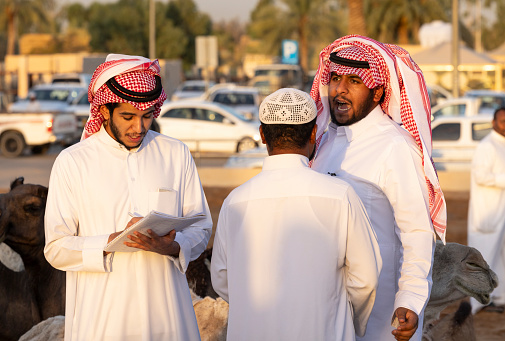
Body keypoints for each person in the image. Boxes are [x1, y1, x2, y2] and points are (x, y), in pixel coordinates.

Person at [44, 54, 213, 340]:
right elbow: (56, 248)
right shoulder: (72, 162)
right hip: (101, 320)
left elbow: (201, 226)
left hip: (168, 318)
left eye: (147, 116)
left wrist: (171, 246)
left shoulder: (175, 153)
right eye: (128, 117)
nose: (139, 127)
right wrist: (110, 242)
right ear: (105, 110)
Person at [211, 88, 382, 340]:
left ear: (262, 135)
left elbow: (222, 278)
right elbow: (366, 279)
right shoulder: (339, 195)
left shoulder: (235, 201)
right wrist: (347, 321)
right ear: (314, 132)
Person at [309, 35, 447, 341]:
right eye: (334, 78)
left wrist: (409, 299)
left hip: (382, 305)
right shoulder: (324, 142)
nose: (340, 89)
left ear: (378, 91)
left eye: (354, 80)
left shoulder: (394, 146)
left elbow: (415, 233)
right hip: (325, 298)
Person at [467, 107, 505, 314]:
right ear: (493, 122)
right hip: (487, 213)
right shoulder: (486, 146)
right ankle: (476, 303)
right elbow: (481, 176)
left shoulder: (501, 145)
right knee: (484, 259)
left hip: (501, 212)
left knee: (500, 256)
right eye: (502, 121)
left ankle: (497, 297)